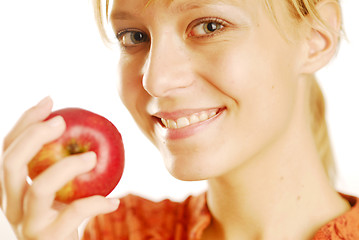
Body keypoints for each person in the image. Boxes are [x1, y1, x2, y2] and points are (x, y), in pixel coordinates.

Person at [1, 0, 358, 239]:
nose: (155, 79)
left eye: (209, 27)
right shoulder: (117, 233)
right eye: (135, 36)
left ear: (315, 38)